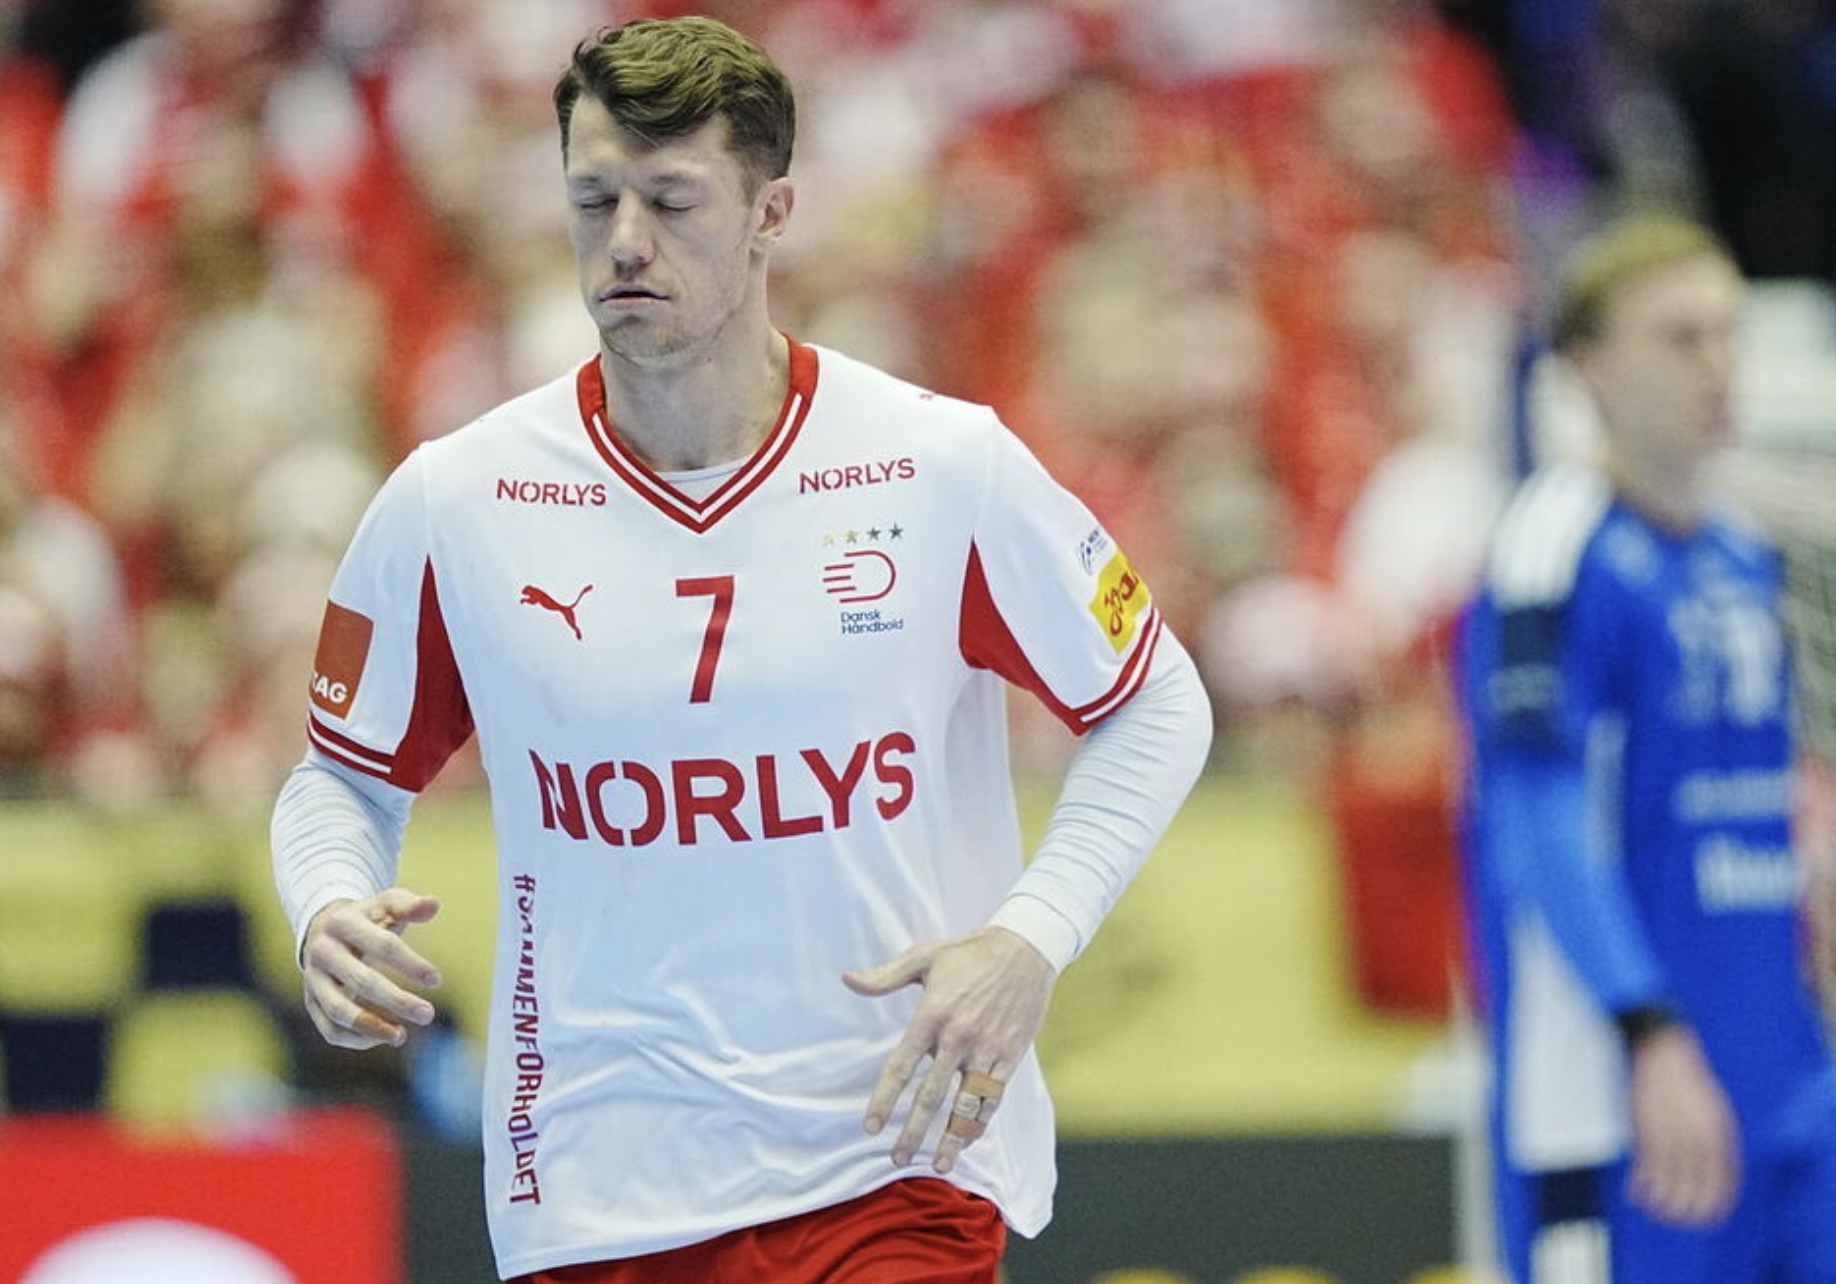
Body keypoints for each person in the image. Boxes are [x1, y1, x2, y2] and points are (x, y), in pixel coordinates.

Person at [269, 16, 1211, 1284]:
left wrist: (1030, 938)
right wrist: (328, 905)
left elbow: (1155, 701)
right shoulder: (458, 499)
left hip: (894, 1156)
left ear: (773, 213)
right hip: (597, 1182)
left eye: (671, 201)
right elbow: (340, 777)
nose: (624, 240)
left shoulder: (939, 466)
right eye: (592, 199)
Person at [1454, 214, 1836, 1283]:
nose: (1719, 366)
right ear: (1588, 367)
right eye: (1680, 338)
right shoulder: (1556, 546)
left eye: (1729, 333)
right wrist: (1650, 1034)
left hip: (1785, 1077)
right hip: (1623, 1095)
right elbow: (1533, 817)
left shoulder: (1741, 552)